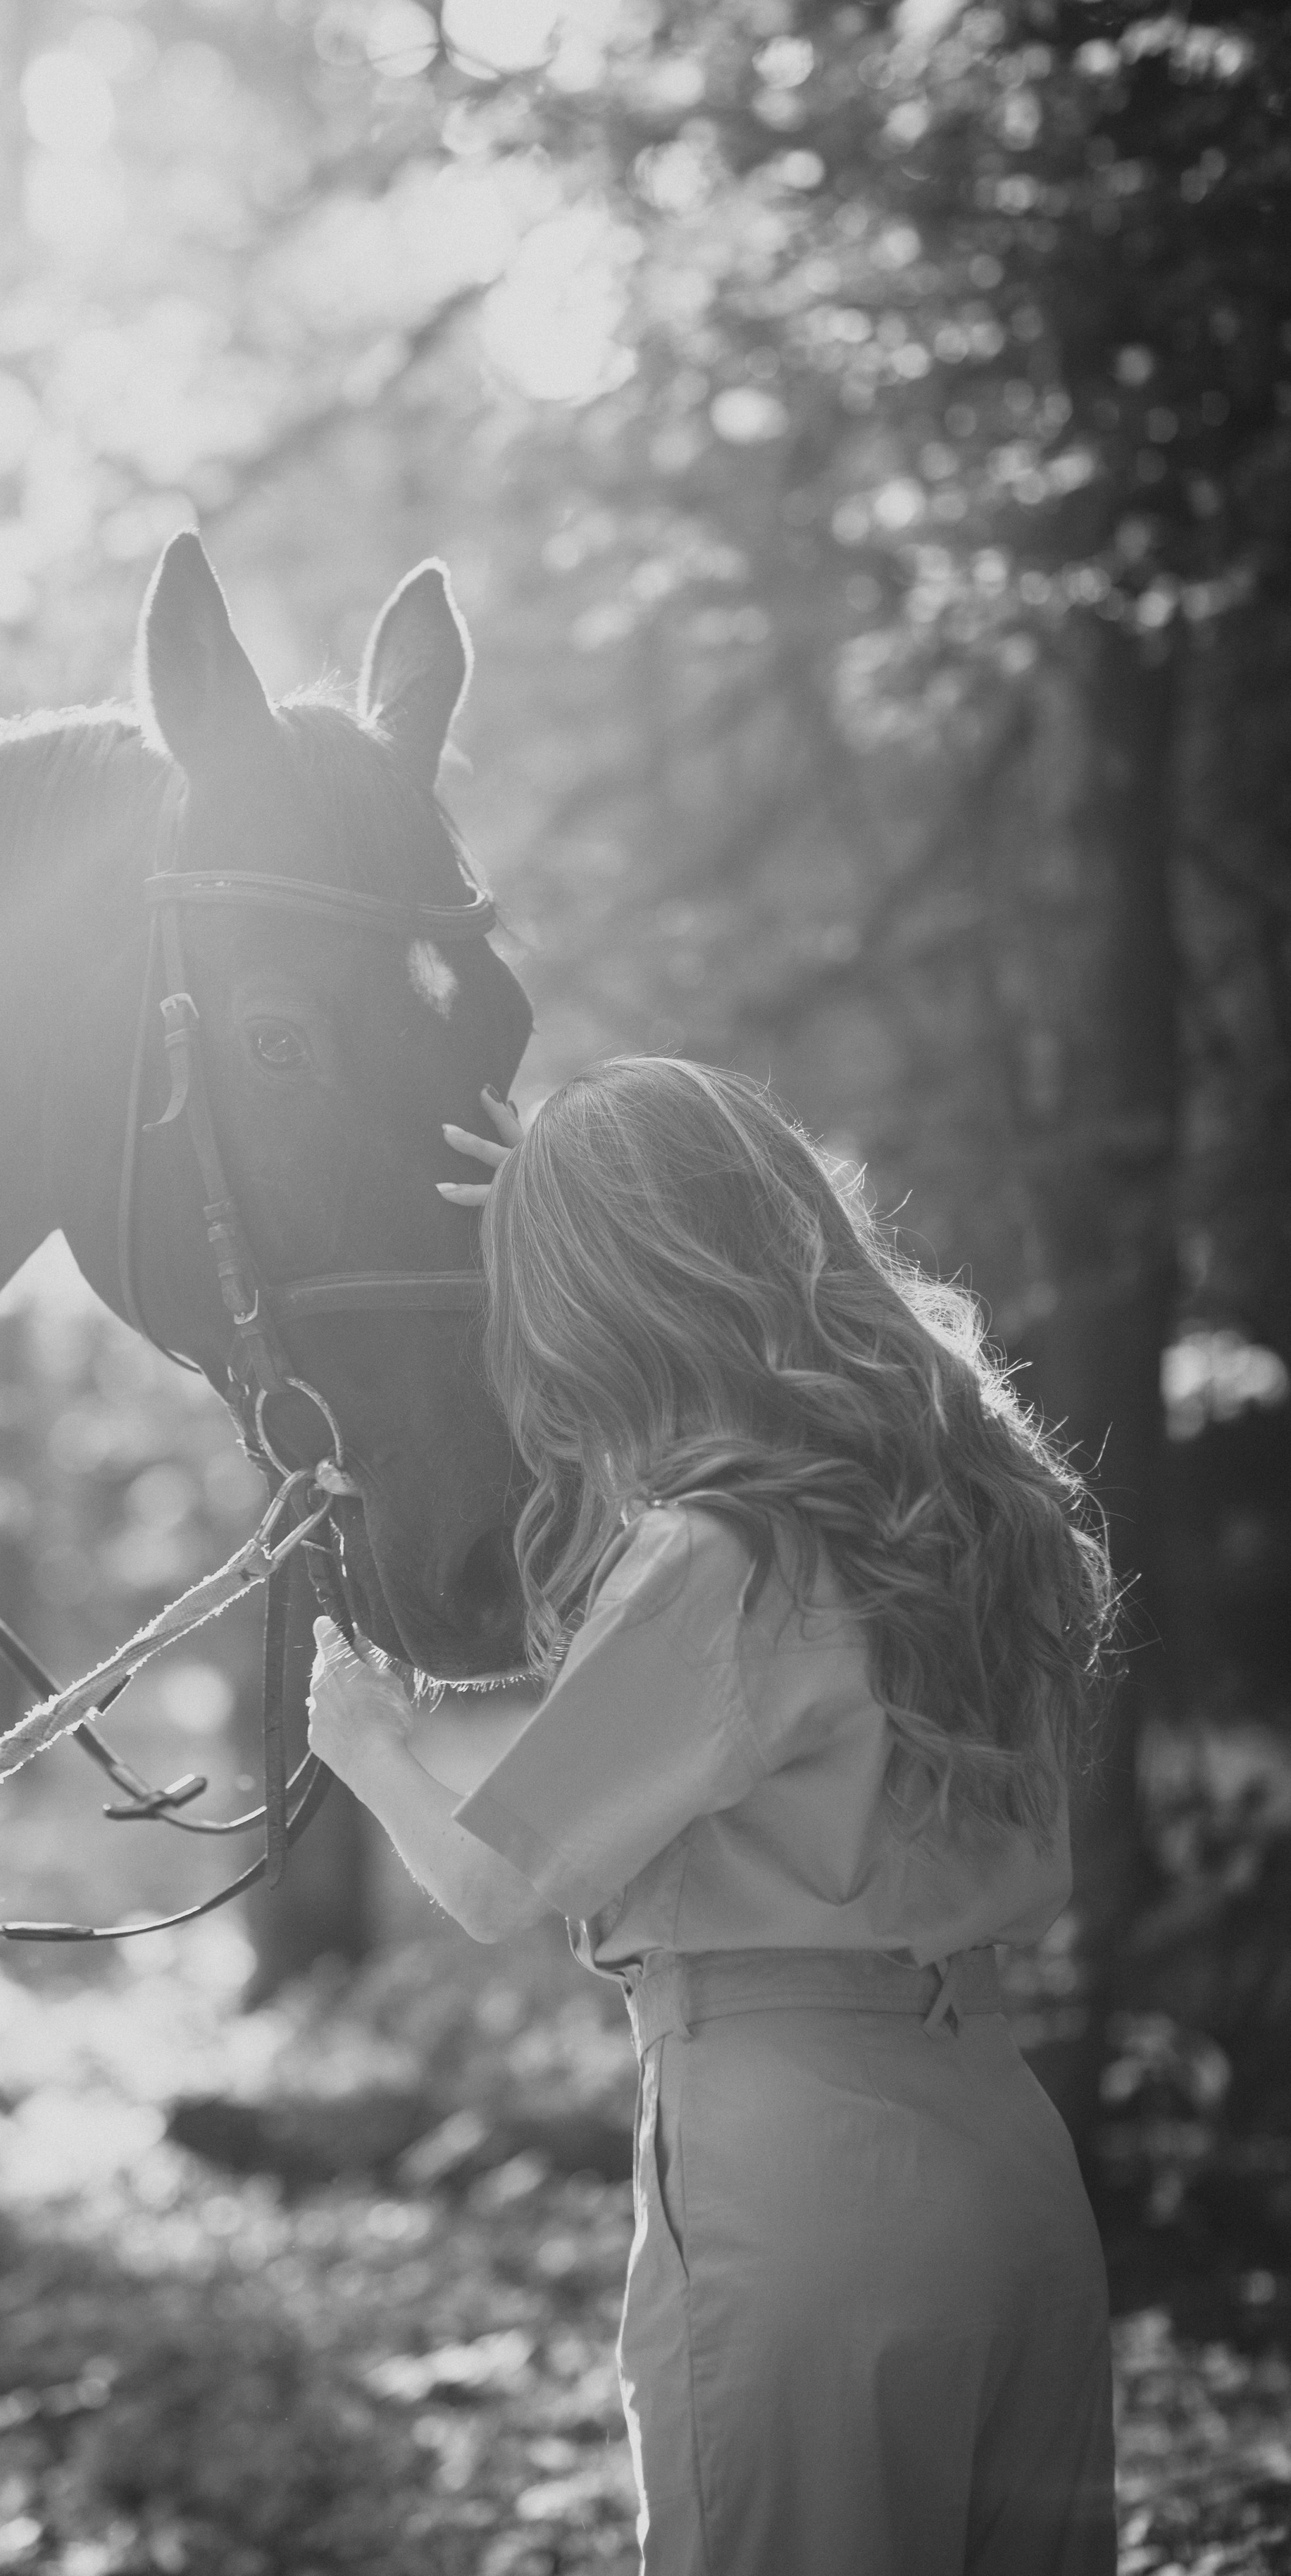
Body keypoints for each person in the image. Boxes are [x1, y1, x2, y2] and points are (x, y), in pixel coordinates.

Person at [306, 1057, 1117, 2576]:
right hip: (1011, 2167)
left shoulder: (717, 1558)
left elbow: (492, 1883)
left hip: (795, 2180)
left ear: (600, 1300)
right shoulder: (975, 1502)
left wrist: (366, 1745)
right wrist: (568, 1182)